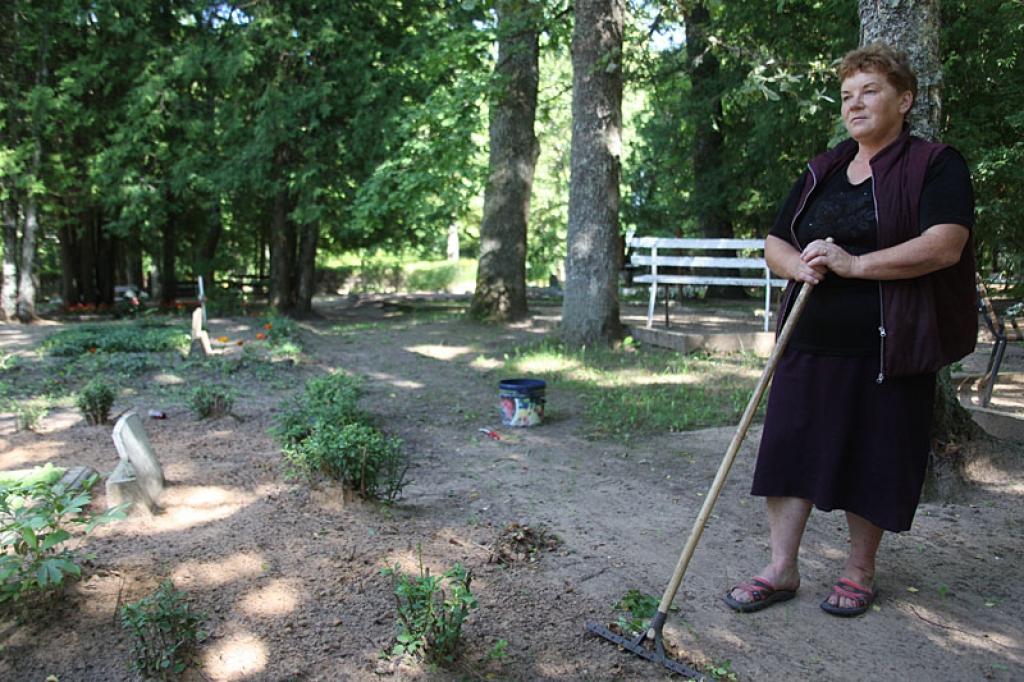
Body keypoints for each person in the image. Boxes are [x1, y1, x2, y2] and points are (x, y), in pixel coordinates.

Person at [723, 43, 977, 618]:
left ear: (904, 100)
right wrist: (799, 265)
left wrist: (855, 265)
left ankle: (859, 571)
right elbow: (774, 242)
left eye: (870, 91)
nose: (855, 104)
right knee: (789, 450)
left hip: (888, 344)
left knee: (874, 452)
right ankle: (781, 568)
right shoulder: (824, 169)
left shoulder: (933, 164)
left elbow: (945, 245)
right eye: (846, 95)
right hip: (806, 338)